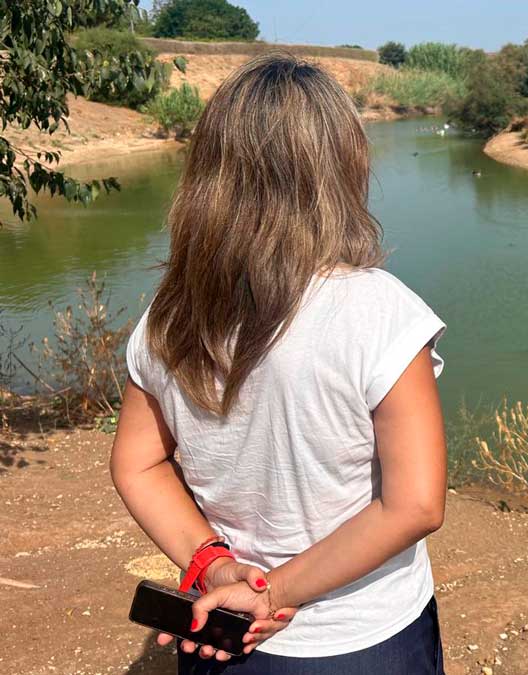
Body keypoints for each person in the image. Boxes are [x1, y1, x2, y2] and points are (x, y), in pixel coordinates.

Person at [110, 54, 448, 673]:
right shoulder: (380, 310)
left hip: (220, 628)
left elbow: (138, 463)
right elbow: (417, 504)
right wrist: (274, 594)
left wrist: (210, 562)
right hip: (363, 638)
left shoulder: (169, 314)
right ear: (342, 165)